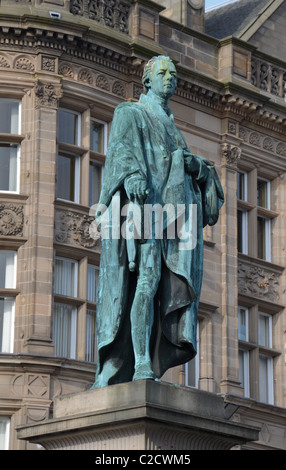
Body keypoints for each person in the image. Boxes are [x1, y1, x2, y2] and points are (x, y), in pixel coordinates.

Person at [91, 55, 224, 388]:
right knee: (146, 286)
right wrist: (133, 174)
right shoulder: (130, 112)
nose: (170, 78)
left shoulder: (174, 130)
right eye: (163, 73)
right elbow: (121, 151)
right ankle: (139, 363)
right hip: (144, 212)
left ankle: (146, 359)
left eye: (174, 73)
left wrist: (198, 167)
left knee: (162, 289)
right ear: (147, 80)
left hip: (172, 219)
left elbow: (187, 171)